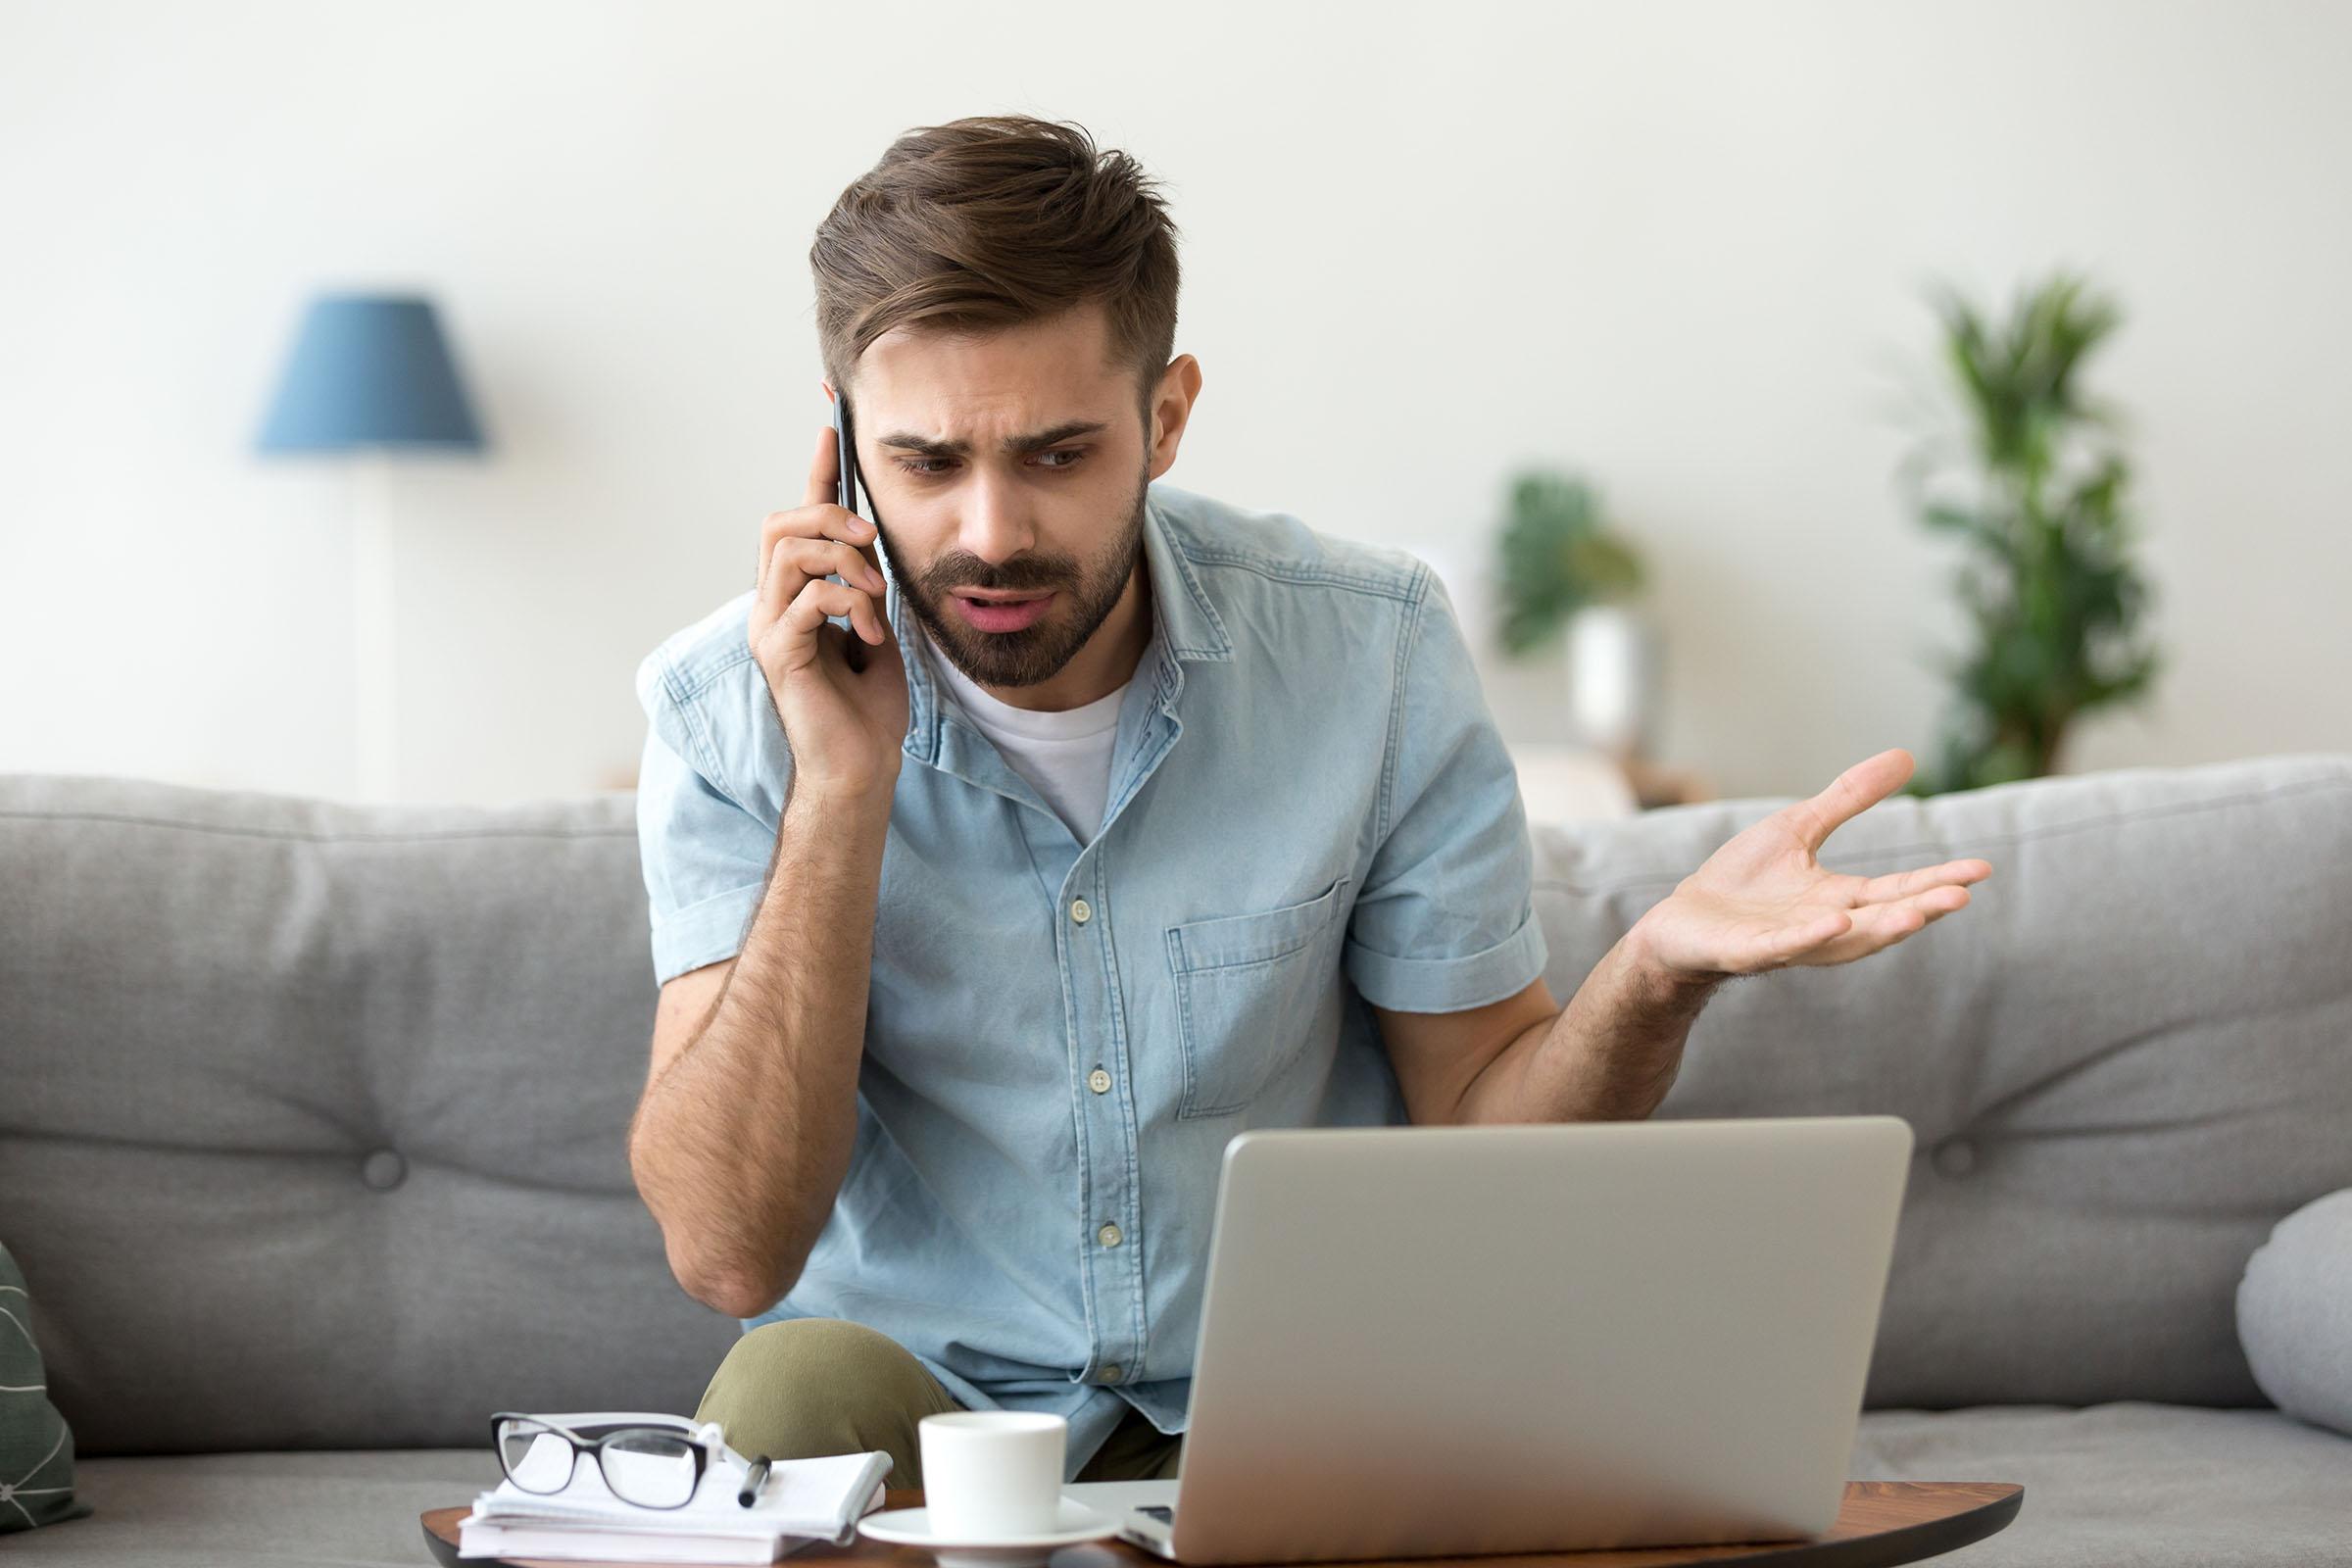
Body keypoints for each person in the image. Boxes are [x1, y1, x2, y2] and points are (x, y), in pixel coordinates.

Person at [624, 113, 1992, 1491]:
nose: (990, 533)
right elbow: (730, 1249)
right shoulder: (726, 711)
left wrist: (1654, 974)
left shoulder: (1370, 650)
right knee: (784, 1390)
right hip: (920, 1397)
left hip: (1298, 1379)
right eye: (926, 463)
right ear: (846, 442)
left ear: (1166, 419)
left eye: (1055, 454)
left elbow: (1481, 1135)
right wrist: (843, 787)